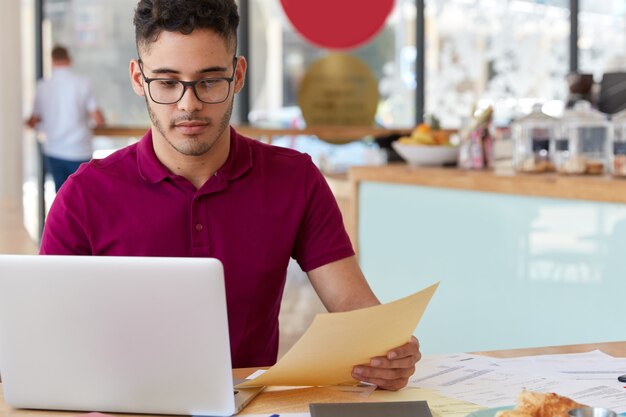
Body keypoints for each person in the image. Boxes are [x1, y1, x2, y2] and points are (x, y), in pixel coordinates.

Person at [40, 0, 421, 391]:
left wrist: (386, 353)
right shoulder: (85, 194)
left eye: (209, 81)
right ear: (139, 79)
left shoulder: (295, 179)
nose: (189, 105)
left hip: (250, 407)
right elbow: (44, 337)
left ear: (237, 74)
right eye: (168, 82)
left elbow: (354, 308)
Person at [26, 45, 106, 192]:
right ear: (69, 59)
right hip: (79, 149)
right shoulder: (82, 83)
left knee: (61, 196)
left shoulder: (42, 86)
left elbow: (33, 120)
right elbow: (99, 119)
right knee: (82, 195)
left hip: (53, 149)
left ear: (52, 61)